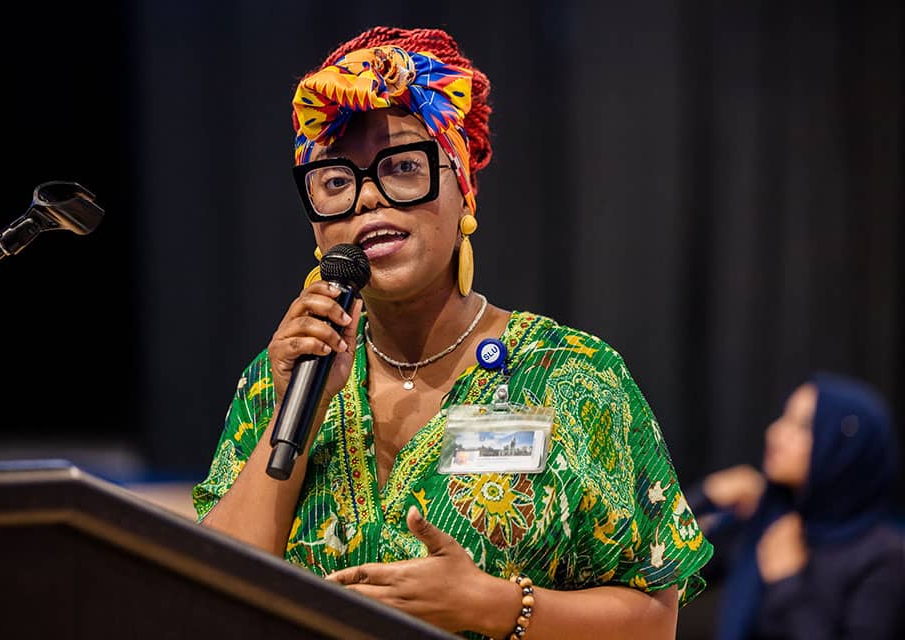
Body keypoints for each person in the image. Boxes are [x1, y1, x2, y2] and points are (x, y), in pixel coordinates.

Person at [192, 26, 713, 639]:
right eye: (335, 181)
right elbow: (207, 595)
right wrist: (293, 414)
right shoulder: (282, 376)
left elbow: (654, 622)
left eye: (404, 168)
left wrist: (492, 607)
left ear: (462, 188)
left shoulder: (573, 377)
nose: (366, 200)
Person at [688, 372, 904, 640]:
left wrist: (788, 582)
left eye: (802, 426)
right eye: (784, 417)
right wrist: (705, 496)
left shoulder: (886, 555)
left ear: (845, 449)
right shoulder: (768, 518)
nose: (775, 432)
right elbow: (667, 570)